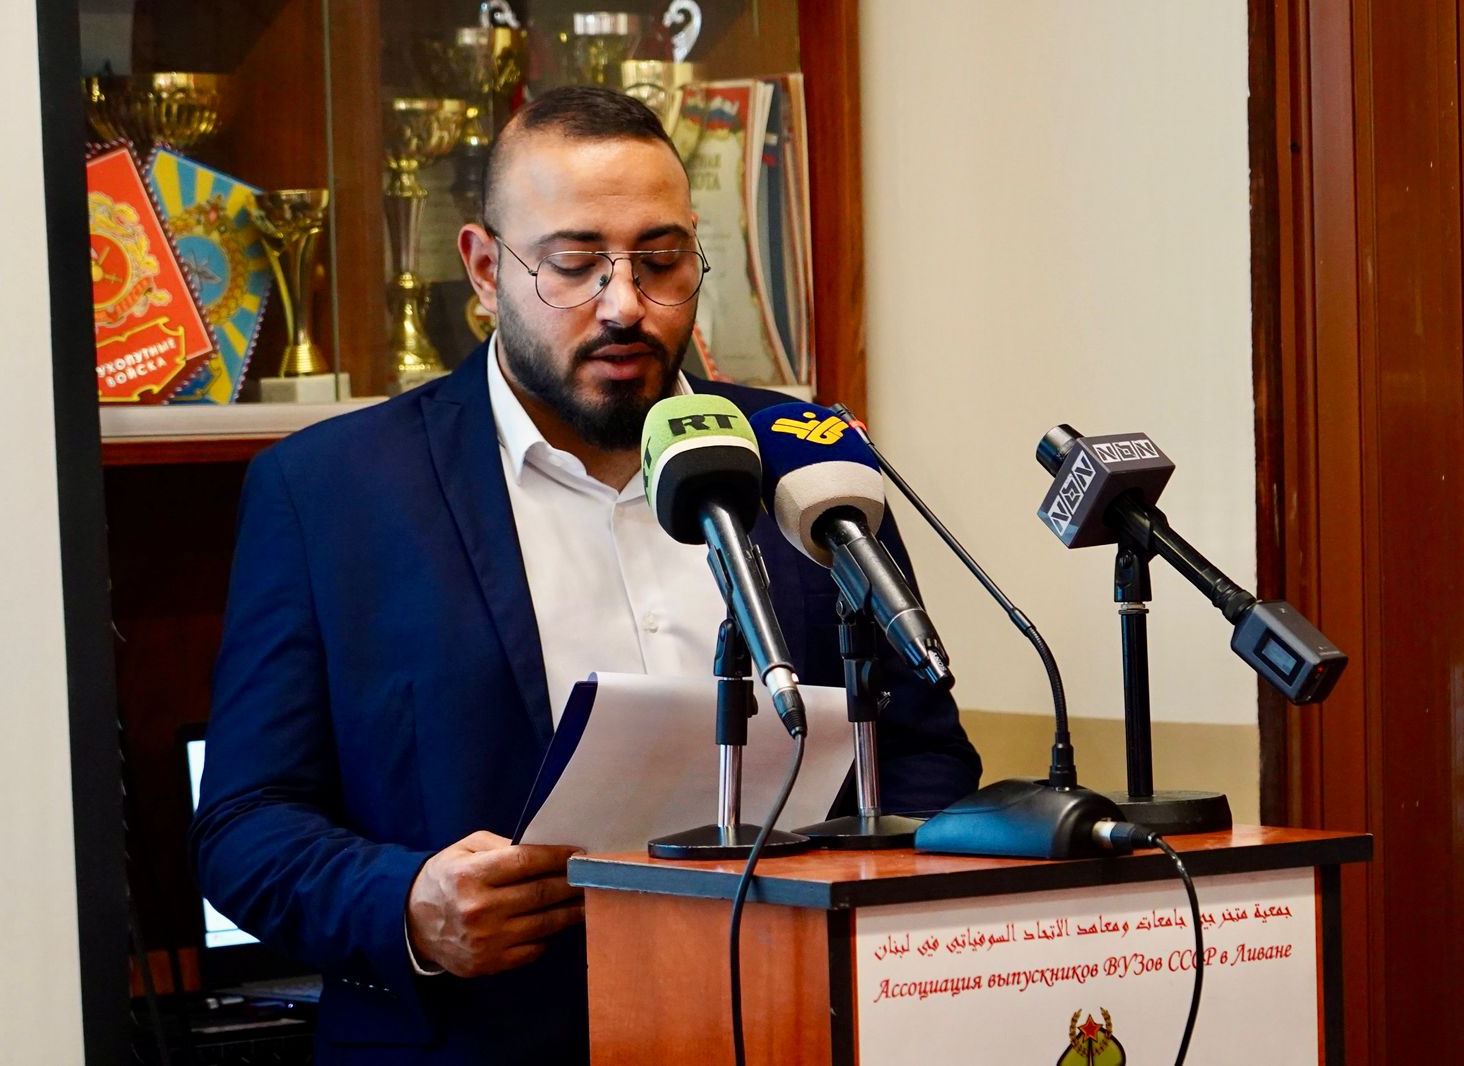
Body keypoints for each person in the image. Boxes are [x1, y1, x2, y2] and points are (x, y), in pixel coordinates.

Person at [191, 86, 980, 1065]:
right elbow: (244, 825)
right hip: (477, 1040)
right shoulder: (330, 491)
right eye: (573, 265)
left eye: (661, 261)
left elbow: (924, 755)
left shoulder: (803, 454)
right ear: (485, 269)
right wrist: (408, 904)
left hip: (785, 1024)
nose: (624, 305)